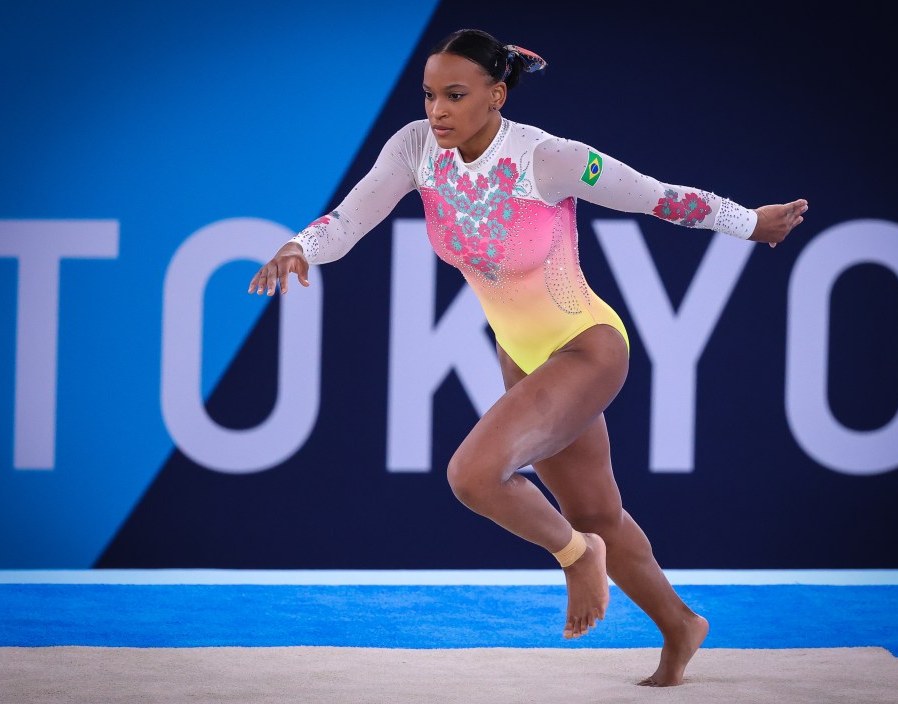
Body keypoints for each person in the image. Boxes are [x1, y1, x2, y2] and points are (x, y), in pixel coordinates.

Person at [248, 28, 807, 687]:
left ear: (497, 94)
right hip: (521, 356)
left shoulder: (547, 159)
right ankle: (681, 623)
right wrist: (300, 248)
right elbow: (348, 220)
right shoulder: (415, 150)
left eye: (455, 96)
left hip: (587, 348)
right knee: (596, 511)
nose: (438, 112)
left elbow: (656, 195)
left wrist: (749, 222)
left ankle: (577, 560)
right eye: (429, 96)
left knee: (473, 476)